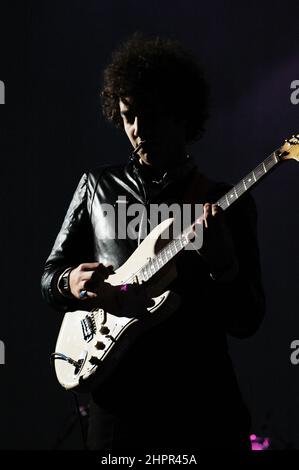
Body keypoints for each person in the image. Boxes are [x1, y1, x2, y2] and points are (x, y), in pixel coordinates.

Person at [41, 34, 265, 452]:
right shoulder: (96, 187)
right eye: (128, 116)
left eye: (151, 115)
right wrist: (69, 281)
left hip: (202, 409)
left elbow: (248, 319)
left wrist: (225, 267)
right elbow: (50, 276)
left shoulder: (221, 201)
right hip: (117, 411)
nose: (138, 130)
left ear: (182, 115)